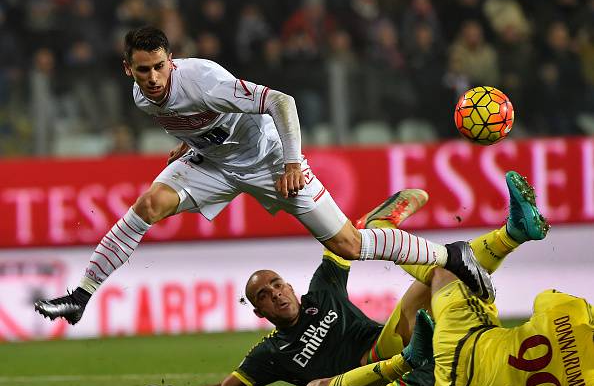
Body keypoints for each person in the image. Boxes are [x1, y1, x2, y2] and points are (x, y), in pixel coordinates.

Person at [34, 25, 490, 325]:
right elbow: (197, 121)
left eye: (159, 67)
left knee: (347, 244)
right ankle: (82, 294)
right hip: (215, 163)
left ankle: (451, 255)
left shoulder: (205, 80)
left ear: (172, 60)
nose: (153, 78)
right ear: (128, 69)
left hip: (270, 159)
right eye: (143, 70)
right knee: (149, 204)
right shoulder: (140, 96)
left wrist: (293, 161)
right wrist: (190, 143)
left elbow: (281, 102)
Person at [306, 172, 594, 386]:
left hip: (466, 347)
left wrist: (407, 361)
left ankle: (510, 236)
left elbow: (545, 299)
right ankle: (382, 228)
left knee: (447, 271)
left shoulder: (571, 315)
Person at [135, 188, 436, 386]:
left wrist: (370, 224)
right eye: (263, 295)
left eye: (278, 285)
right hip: (363, 384)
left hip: (387, 348)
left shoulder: (323, 290)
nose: (275, 294)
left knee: (428, 284)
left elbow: (342, 242)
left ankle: (383, 229)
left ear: (292, 287)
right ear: (259, 312)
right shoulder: (272, 353)